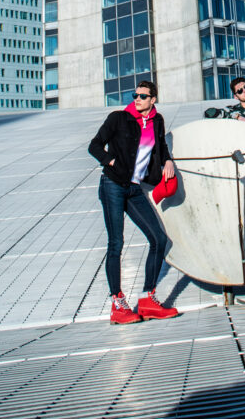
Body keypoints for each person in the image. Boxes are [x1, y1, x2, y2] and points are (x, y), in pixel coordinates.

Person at [88, 79, 179, 324]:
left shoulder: (157, 121)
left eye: (142, 96)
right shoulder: (118, 118)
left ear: (153, 99)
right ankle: (118, 304)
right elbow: (94, 146)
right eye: (135, 94)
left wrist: (167, 160)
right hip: (113, 185)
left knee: (159, 239)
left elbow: (159, 145)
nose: (137, 98)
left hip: (135, 188)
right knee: (116, 243)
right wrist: (112, 162)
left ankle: (148, 300)